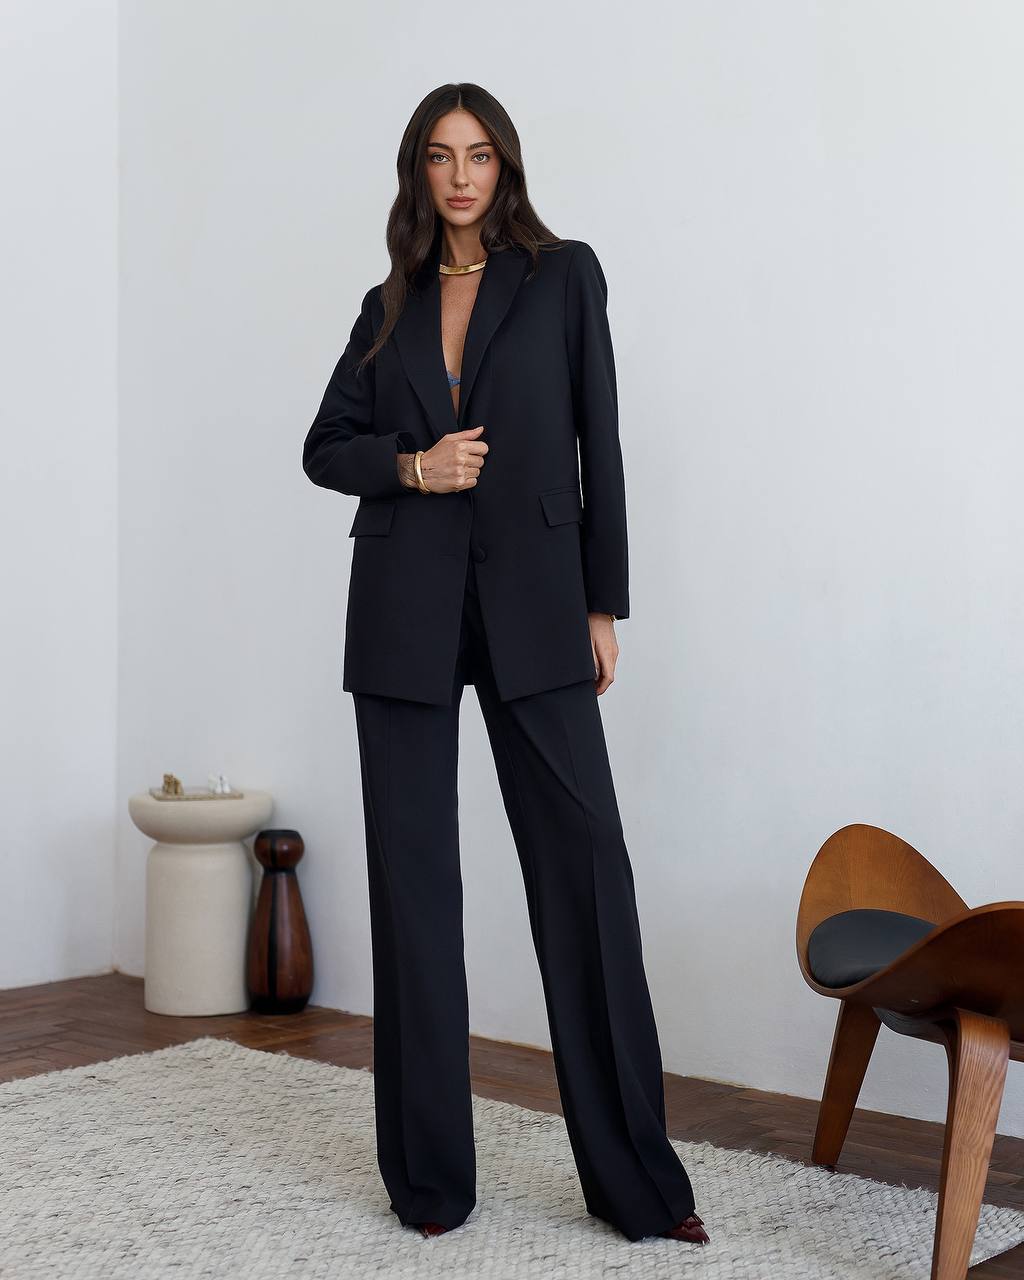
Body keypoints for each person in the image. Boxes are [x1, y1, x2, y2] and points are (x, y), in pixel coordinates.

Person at [302, 82, 709, 1248]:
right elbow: (323, 446)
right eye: (439, 157)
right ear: (417, 175)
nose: (461, 176)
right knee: (415, 898)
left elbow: (601, 439)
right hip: (402, 617)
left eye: (478, 155)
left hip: (535, 605)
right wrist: (411, 464)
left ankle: (639, 1183)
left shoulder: (564, 276)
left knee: (584, 874)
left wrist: (603, 603)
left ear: (506, 166)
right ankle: (430, 1182)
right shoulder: (386, 304)